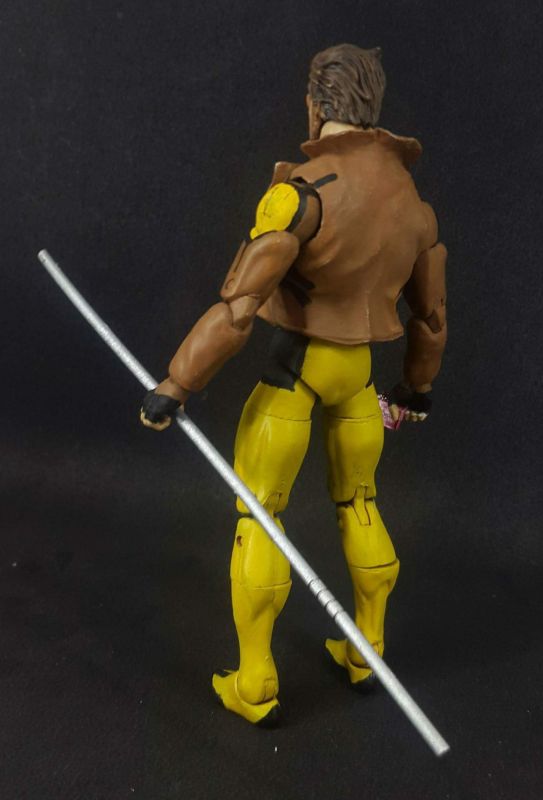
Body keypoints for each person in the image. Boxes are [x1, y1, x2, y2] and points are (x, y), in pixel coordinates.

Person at [140, 43, 447, 727]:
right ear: (371, 107)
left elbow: (238, 309)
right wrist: (415, 391)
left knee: (260, 515)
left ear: (315, 103)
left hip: (297, 373)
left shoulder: (301, 195)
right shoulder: (412, 203)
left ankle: (255, 684)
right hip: (360, 379)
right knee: (361, 502)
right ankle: (367, 651)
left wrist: (176, 385)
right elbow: (430, 317)